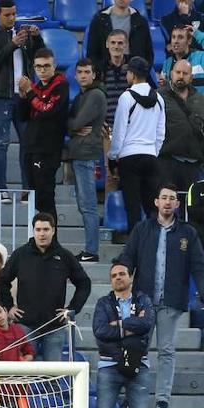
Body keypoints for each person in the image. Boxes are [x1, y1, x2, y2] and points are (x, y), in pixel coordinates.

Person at [118, 186, 204, 408]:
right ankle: (131, 396)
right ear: (156, 201)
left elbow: (198, 266)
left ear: (178, 204)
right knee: (137, 348)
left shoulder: (188, 233)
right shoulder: (142, 229)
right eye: (164, 198)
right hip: (143, 300)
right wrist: (120, 276)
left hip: (171, 301)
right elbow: (128, 257)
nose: (167, 202)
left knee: (166, 350)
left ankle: (162, 400)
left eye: (172, 199)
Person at [0, 213, 91, 362]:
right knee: (22, 376)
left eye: (46, 229)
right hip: (26, 325)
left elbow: (84, 283)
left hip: (54, 327)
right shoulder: (20, 254)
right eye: (38, 229)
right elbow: (2, 281)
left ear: (53, 231)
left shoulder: (65, 256)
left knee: (53, 378)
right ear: (33, 231)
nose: (42, 234)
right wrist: (9, 306)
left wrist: (72, 309)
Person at [0, 0, 43, 202]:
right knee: (2, 143)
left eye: (14, 14)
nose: (12, 18)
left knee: (28, 144)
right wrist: (12, 44)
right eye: (7, 15)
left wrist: (37, 38)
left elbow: (39, 57)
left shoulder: (22, 33)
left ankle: (27, 190)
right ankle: (2, 191)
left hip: (24, 97)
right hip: (2, 98)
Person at [93, 261, 155, 408]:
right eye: (114, 276)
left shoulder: (144, 300)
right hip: (109, 364)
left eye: (121, 274)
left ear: (131, 277)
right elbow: (101, 331)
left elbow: (146, 325)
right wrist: (132, 326)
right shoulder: (103, 303)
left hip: (139, 364)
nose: (118, 277)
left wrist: (120, 324)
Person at [109, 56, 165, 232]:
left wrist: (112, 156)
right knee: (152, 207)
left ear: (132, 75)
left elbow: (119, 131)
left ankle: (135, 249)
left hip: (129, 157)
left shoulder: (126, 97)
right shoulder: (159, 99)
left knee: (132, 207)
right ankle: (154, 245)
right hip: (150, 156)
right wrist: (152, 152)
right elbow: (160, 133)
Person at [17, 49, 69, 219]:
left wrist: (30, 92)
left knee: (45, 196)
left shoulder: (61, 86)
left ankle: (51, 240)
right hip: (31, 146)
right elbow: (22, 116)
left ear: (54, 66)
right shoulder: (36, 87)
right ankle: (39, 237)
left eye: (46, 66)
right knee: (35, 196)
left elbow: (47, 110)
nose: (42, 70)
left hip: (47, 149)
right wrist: (23, 96)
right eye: (38, 67)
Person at [69, 59, 106, 263]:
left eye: (87, 72)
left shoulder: (95, 95)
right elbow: (70, 122)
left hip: (86, 154)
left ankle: (92, 250)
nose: (83, 75)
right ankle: (89, 249)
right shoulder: (81, 96)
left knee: (88, 205)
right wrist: (71, 125)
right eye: (80, 72)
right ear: (75, 75)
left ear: (94, 74)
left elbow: (77, 121)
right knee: (84, 205)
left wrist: (72, 125)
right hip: (80, 153)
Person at [159, 57, 204, 196]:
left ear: (191, 77)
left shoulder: (200, 99)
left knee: (191, 208)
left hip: (194, 164)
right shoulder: (159, 96)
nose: (181, 76)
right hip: (167, 161)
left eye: (185, 73)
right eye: (178, 72)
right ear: (171, 74)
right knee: (166, 205)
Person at [86, 0, 153, 65]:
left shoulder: (141, 22)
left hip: (135, 72)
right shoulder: (98, 20)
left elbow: (148, 53)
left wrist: (140, 73)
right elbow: (92, 53)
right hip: (105, 72)